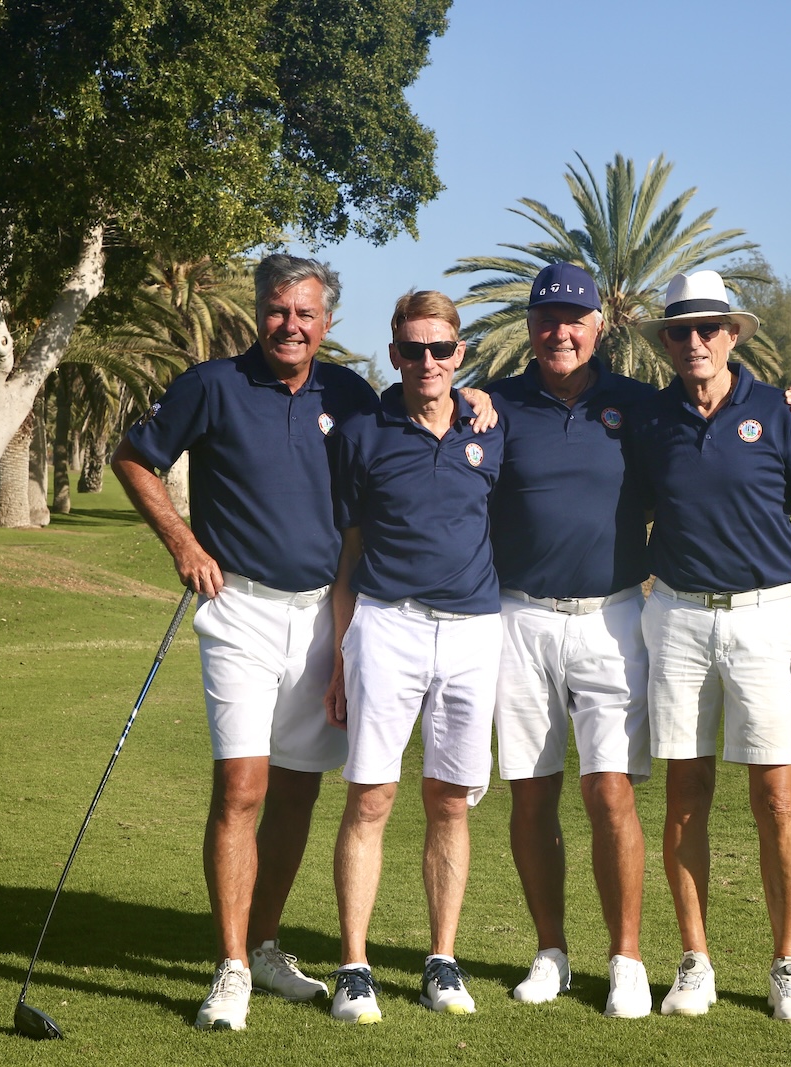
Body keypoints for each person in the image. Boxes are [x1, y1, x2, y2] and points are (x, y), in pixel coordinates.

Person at [113, 256, 492, 1032]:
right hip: (239, 609)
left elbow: (424, 403)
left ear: (328, 322)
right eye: (278, 309)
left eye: (306, 313)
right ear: (259, 311)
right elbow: (134, 457)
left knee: (298, 789)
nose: (291, 324)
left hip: (323, 615)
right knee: (242, 786)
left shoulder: (347, 393)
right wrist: (184, 543)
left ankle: (264, 945)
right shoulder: (212, 385)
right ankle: (230, 967)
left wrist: (476, 396)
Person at [486, 263, 791, 1017]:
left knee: (614, 790)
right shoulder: (501, 403)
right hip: (526, 617)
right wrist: (466, 395)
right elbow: (431, 410)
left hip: (615, 617)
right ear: (531, 327)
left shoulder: (636, 403)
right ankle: (553, 952)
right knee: (535, 791)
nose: (560, 332)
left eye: (574, 319)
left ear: (599, 328)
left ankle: (631, 960)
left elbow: (760, 457)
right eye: (547, 319)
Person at [633, 269, 791, 1025]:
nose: (695, 341)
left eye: (708, 329)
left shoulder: (783, 413)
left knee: (776, 796)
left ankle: (787, 964)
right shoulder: (648, 418)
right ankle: (695, 960)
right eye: (680, 331)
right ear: (666, 343)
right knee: (686, 795)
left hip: (765, 618)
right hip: (678, 617)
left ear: (731, 335)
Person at [325, 290, 503, 1024]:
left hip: (473, 631)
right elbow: (348, 552)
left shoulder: (490, 426)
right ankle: (354, 966)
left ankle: (441, 959)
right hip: (386, 624)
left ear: (460, 353)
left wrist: (482, 399)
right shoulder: (362, 432)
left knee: (450, 800)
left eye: (441, 348)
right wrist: (341, 656)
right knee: (370, 796)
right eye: (413, 349)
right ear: (395, 353)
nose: (427, 361)